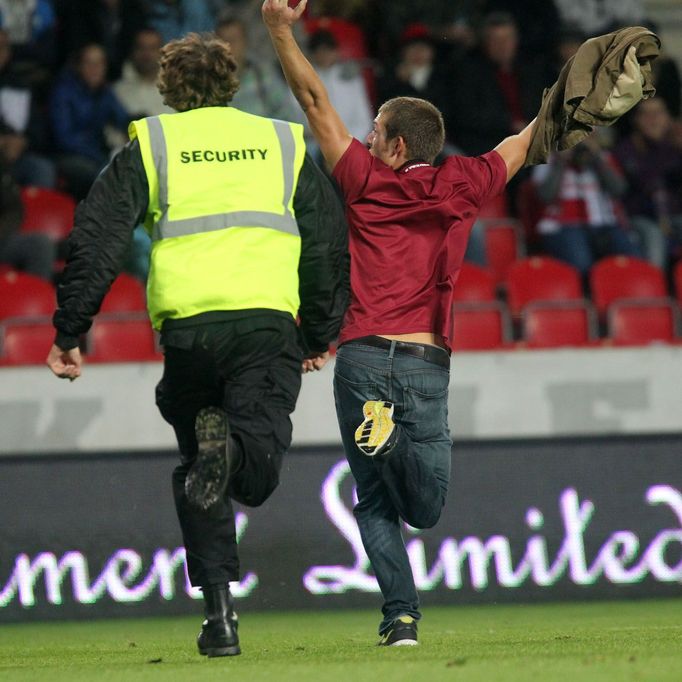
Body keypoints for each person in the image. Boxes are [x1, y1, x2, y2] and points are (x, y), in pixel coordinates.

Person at [46, 31, 348, 657]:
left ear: (169, 88)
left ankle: (220, 619)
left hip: (188, 334)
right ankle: (231, 453)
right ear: (232, 83)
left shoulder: (152, 143)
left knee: (199, 475)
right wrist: (320, 331)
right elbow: (325, 242)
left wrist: (71, 329)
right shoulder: (280, 141)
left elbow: (98, 236)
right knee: (252, 473)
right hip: (265, 326)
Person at [263, 0, 538, 647]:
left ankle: (400, 618)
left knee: (377, 501)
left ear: (395, 144)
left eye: (375, 130)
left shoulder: (361, 179)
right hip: (423, 361)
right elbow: (520, 144)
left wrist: (279, 29)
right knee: (427, 506)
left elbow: (312, 98)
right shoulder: (465, 182)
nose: (363, 139)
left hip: (360, 359)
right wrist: (557, 101)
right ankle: (400, 613)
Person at [532, 138, 641, 278]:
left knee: (634, 258)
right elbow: (545, 195)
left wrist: (596, 159)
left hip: (605, 224)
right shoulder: (547, 159)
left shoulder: (603, 157)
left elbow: (619, 190)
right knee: (581, 263)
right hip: (562, 226)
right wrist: (561, 161)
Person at [50, 43, 131, 199]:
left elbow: (123, 118)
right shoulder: (63, 92)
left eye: (99, 63)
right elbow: (64, 139)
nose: (95, 69)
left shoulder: (105, 92)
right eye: (89, 63)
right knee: (105, 175)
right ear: (79, 66)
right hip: (67, 155)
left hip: (96, 154)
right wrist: (100, 156)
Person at [614, 97, 682, 270]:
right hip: (640, 217)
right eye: (646, 114)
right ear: (636, 120)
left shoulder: (675, 146)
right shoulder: (626, 149)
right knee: (655, 238)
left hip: (675, 214)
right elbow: (647, 182)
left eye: (658, 113)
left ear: (668, 118)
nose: (653, 119)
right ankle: (654, 290)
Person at [114, 28, 173, 117]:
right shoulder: (117, 92)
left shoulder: (174, 91)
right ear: (132, 51)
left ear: (162, 53)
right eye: (141, 48)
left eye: (152, 48)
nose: (146, 54)